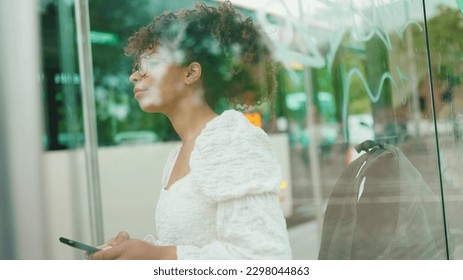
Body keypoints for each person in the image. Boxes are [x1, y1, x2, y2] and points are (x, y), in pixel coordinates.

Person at [90, 1, 292, 260]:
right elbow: (191, 241)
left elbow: (265, 259)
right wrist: (140, 252)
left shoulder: (231, 140)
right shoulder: (179, 153)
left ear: (191, 73)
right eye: (136, 66)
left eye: (152, 62)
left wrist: (159, 257)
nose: (135, 75)